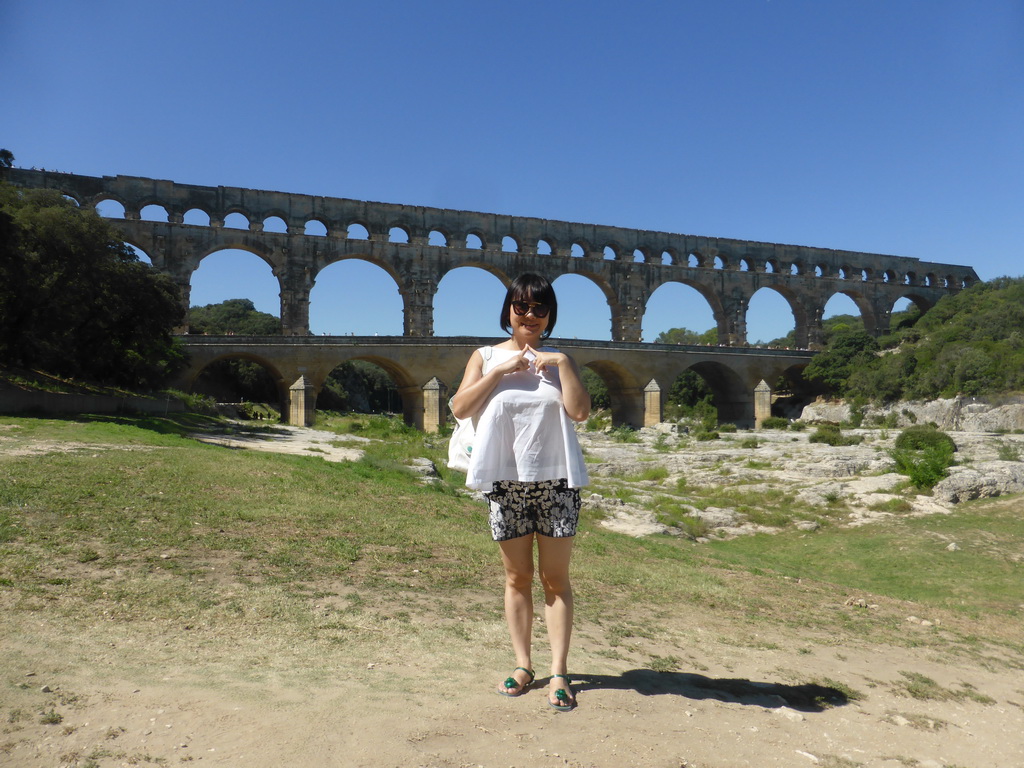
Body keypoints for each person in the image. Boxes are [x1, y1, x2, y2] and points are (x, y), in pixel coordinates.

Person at [450, 273, 590, 712]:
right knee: (517, 578)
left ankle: (561, 671)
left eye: (540, 308)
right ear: (508, 310)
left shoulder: (558, 361)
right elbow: (459, 407)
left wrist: (563, 365)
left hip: (556, 483)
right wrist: (498, 373)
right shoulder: (485, 355)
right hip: (506, 483)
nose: (530, 315)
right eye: (522, 306)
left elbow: (580, 412)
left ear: (550, 316)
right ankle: (523, 665)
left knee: (556, 579)